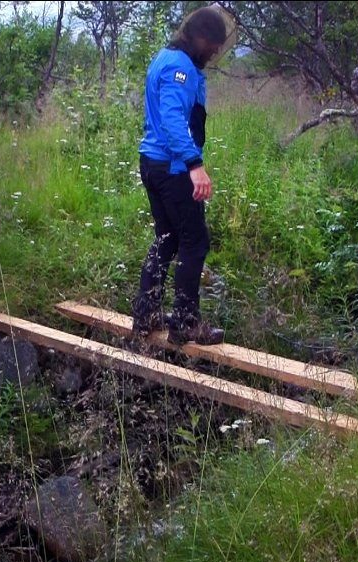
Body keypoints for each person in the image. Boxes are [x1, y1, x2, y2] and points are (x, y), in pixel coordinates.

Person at [129, 6, 233, 347]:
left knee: (167, 238)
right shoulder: (180, 68)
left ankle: (146, 315)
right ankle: (186, 324)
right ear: (199, 37)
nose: (215, 52)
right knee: (194, 241)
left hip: (153, 163)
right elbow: (173, 119)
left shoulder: (164, 58)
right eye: (213, 45)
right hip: (173, 168)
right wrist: (194, 165)